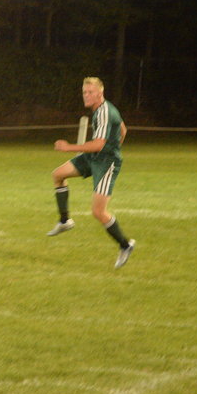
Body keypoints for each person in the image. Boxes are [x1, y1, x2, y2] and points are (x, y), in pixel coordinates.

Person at [47, 77, 135, 269]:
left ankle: (125, 245)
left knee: (98, 212)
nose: (86, 96)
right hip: (93, 157)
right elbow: (123, 129)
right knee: (58, 175)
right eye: (84, 92)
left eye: (90, 92)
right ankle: (65, 220)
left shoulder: (104, 112)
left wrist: (69, 147)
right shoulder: (103, 109)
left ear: (100, 93)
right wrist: (114, 146)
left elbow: (98, 144)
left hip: (106, 163)